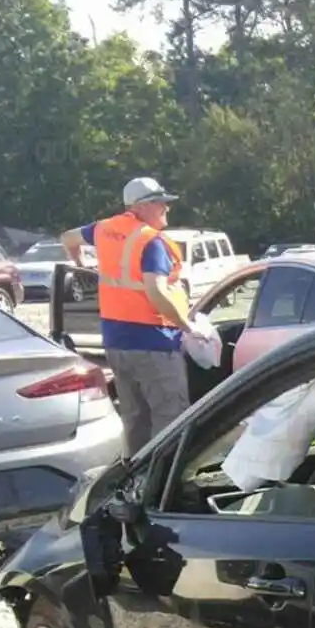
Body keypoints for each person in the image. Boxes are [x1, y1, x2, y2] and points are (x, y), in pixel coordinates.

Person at [60, 178, 192, 457]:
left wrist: (79, 263)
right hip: (154, 342)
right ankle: (164, 483)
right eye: (160, 202)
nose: (166, 207)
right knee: (171, 416)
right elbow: (156, 291)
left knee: (134, 417)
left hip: (116, 342)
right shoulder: (150, 241)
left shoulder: (103, 229)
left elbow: (67, 238)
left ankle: (134, 479)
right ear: (141, 206)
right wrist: (187, 325)